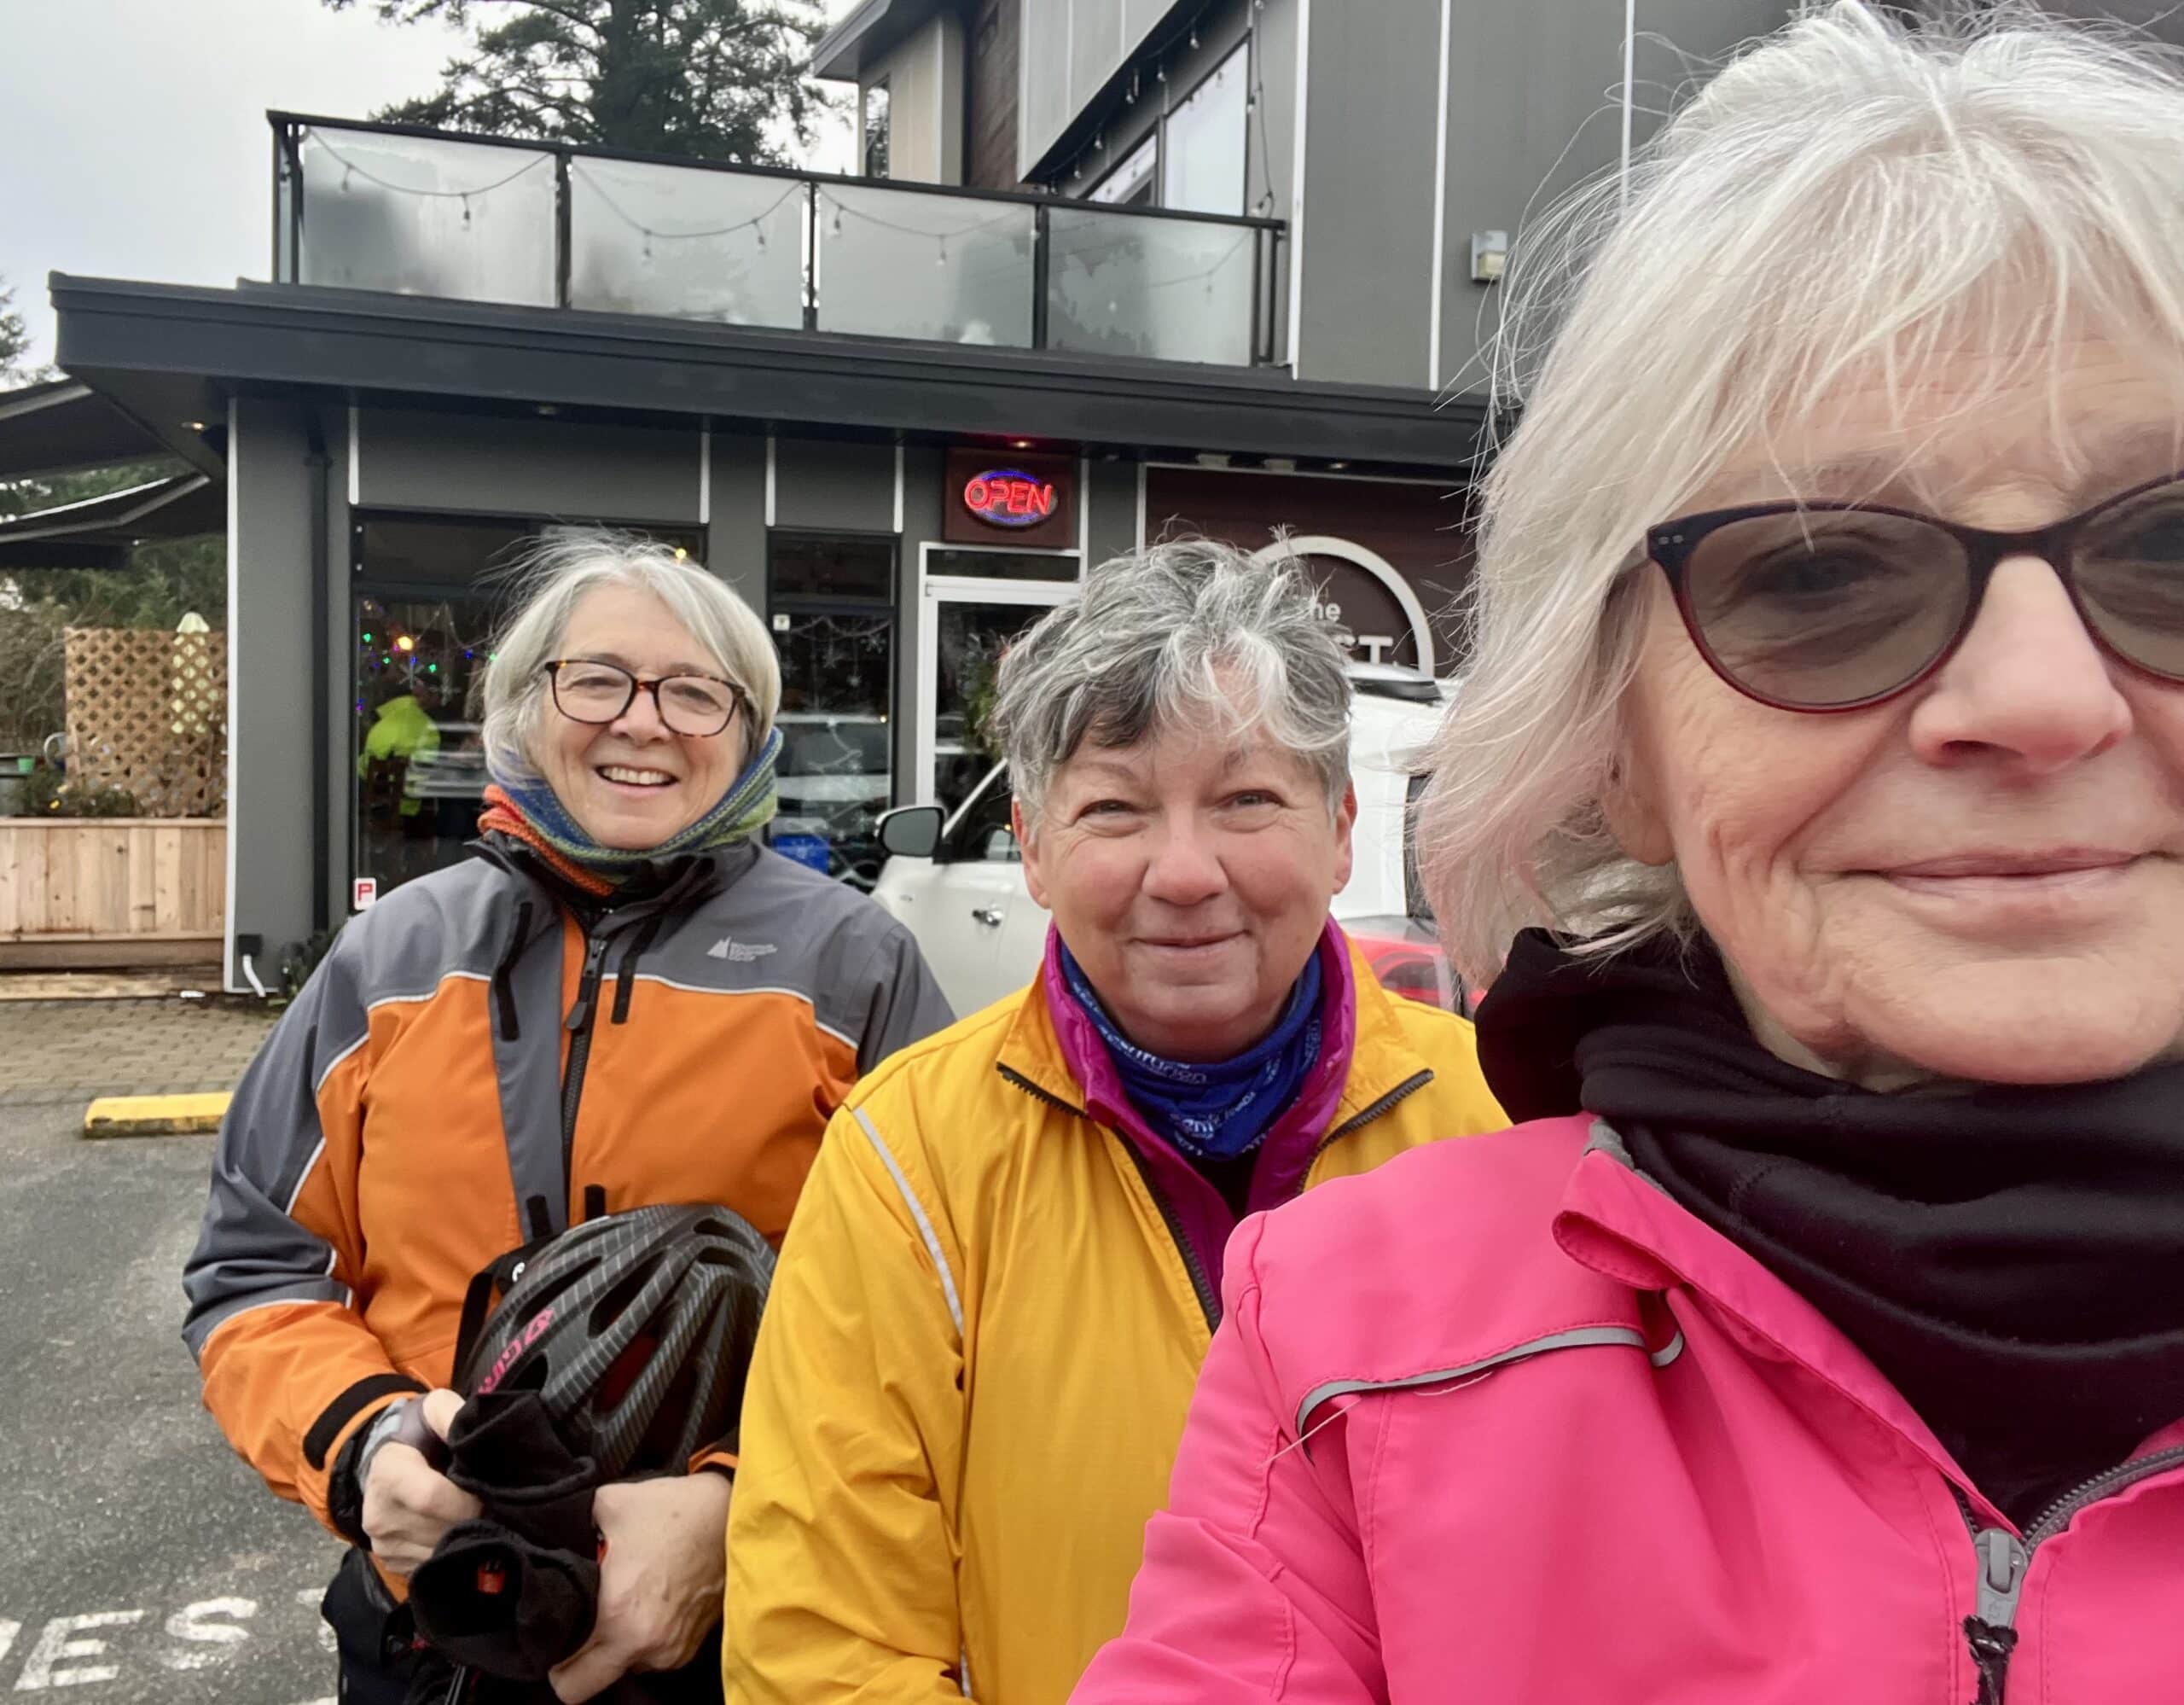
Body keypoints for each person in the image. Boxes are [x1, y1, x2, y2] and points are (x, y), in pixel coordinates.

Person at [1072, 7, 2184, 1701]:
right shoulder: (1356, 1339)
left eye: (2171, 547)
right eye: (1814, 576)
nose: (2033, 700)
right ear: (1619, 746)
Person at [723, 542, 1509, 1704]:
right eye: (1115, 808)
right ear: (1034, 847)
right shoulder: (910, 1156)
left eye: (1247, 798)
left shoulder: (1496, 1122)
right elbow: (819, 1642)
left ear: (1341, 829)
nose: (1184, 871)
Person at [183, 531, 950, 1704]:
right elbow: (256, 1269)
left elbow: (937, 1314)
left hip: (747, 1628)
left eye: (696, 691)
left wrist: (738, 1496)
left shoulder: (856, 966)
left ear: (749, 733)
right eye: (596, 678)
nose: (643, 720)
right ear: (523, 708)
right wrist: (367, 1443)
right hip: (438, 1626)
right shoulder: (391, 956)